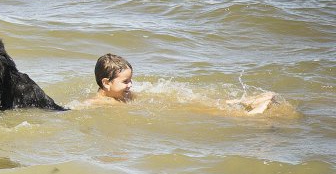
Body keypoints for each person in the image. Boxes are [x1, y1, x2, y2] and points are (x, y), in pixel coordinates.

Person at [86, 53, 278, 114]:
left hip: (153, 102)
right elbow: (81, 107)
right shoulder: (100, 102)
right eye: (125, 81)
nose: (130, 85)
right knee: (188, 106)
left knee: (188, 103)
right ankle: (243, 106)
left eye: (131, 80)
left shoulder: (122, 96)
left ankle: (243, 107)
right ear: (106, 83)